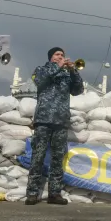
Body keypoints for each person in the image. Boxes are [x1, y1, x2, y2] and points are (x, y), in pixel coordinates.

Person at [25, 47, 84, 205]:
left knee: (58, 158)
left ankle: (54, 193)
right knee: (38, 157)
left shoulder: (67, 74)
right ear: (51, 57)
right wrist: (58, 67)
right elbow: (39, 81)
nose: (61, 57)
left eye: (62, 55)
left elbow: (78, 90)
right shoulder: (41, 69)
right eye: (58, 55)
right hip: (43, 119)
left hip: (61, 121)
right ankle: (32, 193)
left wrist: (73, 71)